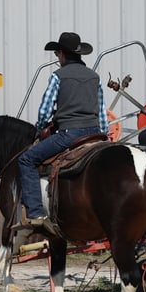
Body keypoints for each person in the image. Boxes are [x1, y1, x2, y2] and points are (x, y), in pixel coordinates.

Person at [18, 31, 108, 231]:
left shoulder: (58, 76)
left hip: (69, 134)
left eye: (57, 54)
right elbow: (101, 111)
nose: (57, 58)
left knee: (27, 159)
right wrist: (105, 137)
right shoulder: (95, 77)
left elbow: (46, 109)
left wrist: (39, 127)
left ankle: (35, 212)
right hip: (94, 133)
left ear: (61, 54)